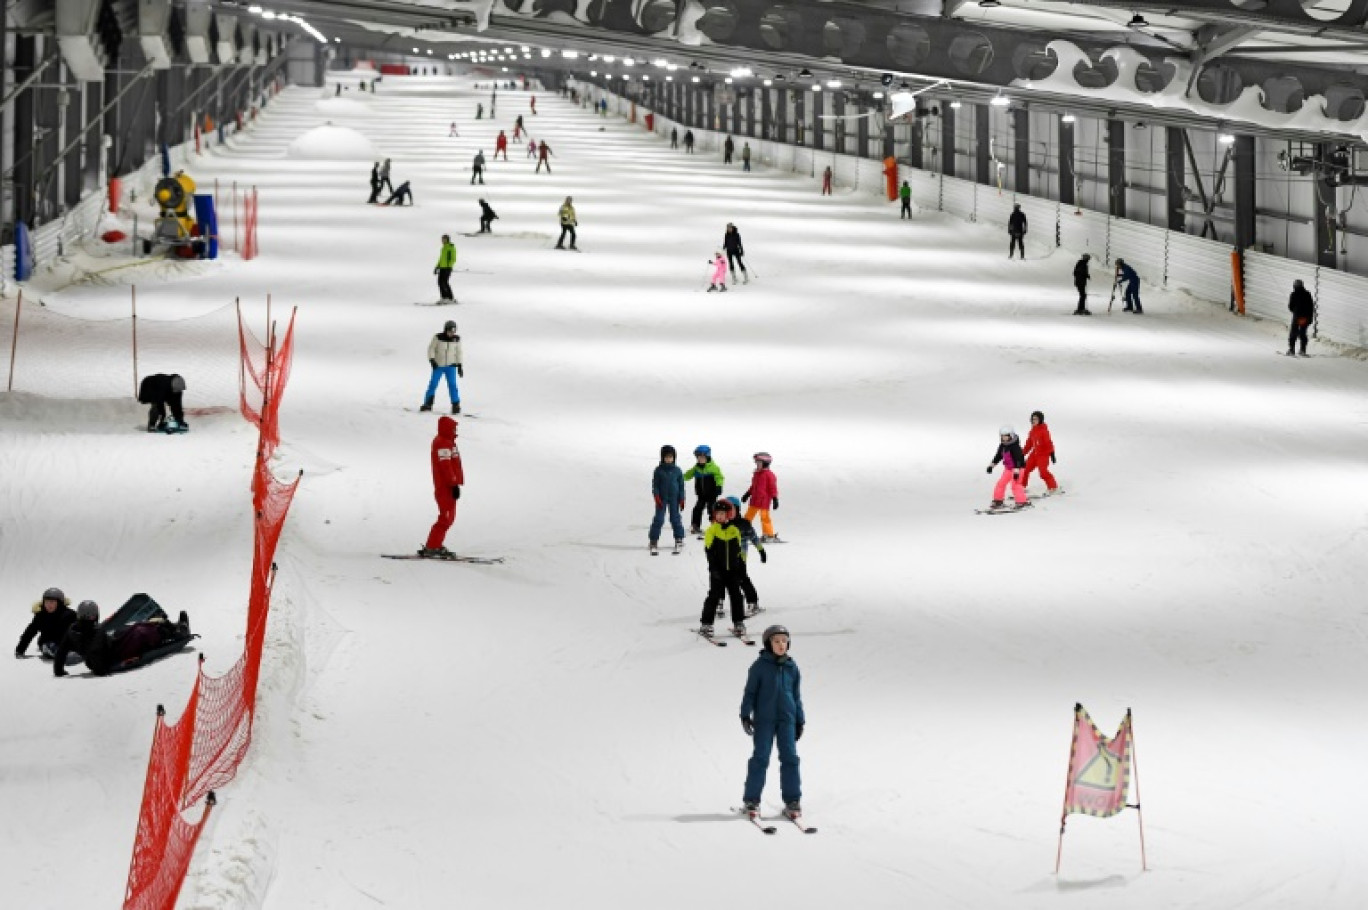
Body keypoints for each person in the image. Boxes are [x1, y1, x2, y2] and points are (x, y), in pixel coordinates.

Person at [740, 624, 805, 819]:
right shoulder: (759, 667)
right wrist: (745, 714)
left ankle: (792, 801)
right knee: (760, 757)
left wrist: (800, 720)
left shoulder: (792, 668)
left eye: (784, 641)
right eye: (776, 641)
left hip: (787, 720)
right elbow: (750, 693)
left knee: (790, 759)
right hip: (764, 721)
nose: (781, 644)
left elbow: (796, 696)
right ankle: (752, 800)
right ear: (768, 644)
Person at [53, 598, 192, 677]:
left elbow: (61, 652)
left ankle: (169, 626)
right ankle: (177, 632)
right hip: (115, 654)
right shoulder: (96, 631)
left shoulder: (72, 630)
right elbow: (95, 653)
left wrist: (58, 670)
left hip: (111, 645)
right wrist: (102, 670)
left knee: (131, 628)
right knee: (140, 632)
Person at [700, 499, 747, 639]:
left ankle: (738, 622)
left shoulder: (734, 531)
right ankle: (706, 624)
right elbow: (709, 551)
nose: (720, 516)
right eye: (717, 513)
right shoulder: (712, 530)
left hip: (732, 571)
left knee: (737, 596)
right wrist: (713, 570)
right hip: (718, 572)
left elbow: (739, 552)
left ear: (728, 514)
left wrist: (741, 568)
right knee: (714, 596)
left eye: (722, 513)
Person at [420, 416, 465, 558]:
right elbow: (445, 466)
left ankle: (434, 545)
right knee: (446, 518)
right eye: (454, 428)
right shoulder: (443, 443)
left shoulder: (448, 442)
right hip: (445, 487)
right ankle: (432, 547)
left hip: (449, 486)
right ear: (447, 428)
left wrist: (456, 483)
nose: (456, 430)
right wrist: (453, 484)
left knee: (448, 517)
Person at [723, 495, 766, 618]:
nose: (728, 512)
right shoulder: (721, 525)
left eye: (731, 509)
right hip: (725, 559)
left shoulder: (744, 524)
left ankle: (753, 603)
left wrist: (761, 551)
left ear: (737, 509)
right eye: (726, 510)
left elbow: (754, 538)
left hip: (740, 558)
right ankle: (720, 604)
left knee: (742, 580)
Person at [15, 587, 76, 661]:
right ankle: (61, 654)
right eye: (46, 602)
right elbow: (29, 632)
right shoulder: (41, 616)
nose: (49, 605)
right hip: (48, 642)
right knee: (50, 646)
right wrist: (20, 650)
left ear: (59, 603)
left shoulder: (70, 615)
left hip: (66, 642)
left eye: (52, 602)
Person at [649, 445, 687, 555]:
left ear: (674, 457)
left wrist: (682, 498)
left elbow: (681, 486)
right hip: (662, 499)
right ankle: (653, 540)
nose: (669, 459)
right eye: (666, 457)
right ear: (662, 457)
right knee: (659, 519)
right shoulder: (658, 470)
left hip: (674, 498)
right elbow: (655, 485)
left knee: (675, 518)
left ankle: (679, 538)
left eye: (671, 457)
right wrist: (656, 496)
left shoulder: (677, 470)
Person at [421, 320, 463, 414]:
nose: (451, 333)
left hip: (451, 366)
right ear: (445, 330)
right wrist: (432, 360)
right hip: (438, 366)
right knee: (433, 384)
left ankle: (455, 405)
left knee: (452, 385)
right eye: (450, 331)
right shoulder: (438, 338)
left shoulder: (456, 339)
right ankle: (428, 403)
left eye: (453, 331)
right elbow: (431, 348)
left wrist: (459, 365)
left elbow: (459, 353)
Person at [986, 426, 1029, 510]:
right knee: (1001, 483)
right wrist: (991, 466)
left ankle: (1022, 502)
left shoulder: (1015, 446)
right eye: (1002, 436)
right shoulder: (1003, 445)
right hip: (1008, 469)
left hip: (1018, 469)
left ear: (1011, 435)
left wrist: (1016, 471)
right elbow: (998, 456)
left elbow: (1019, 459)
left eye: (1006, 436)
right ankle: (998, 500)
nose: (1004, 438)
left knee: (1015, 485)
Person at [684, 444, 725, 534]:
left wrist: (719, 486)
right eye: (698, 457)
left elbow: (719, 477)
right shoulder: (696, 468)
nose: (700, 459)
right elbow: (688, 475)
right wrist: (680, 478)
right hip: (701, 494)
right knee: (697, 509)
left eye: (702, 457)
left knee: (712, 509)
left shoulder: (713, 468)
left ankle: (715, 525)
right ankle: (695, 525)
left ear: (707, 457)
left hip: (711, 494)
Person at [1020, 410, 1060, 497]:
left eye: (1036, 419)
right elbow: (1029, 444)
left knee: (1043, 472)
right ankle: (1021, 487)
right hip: (1035, 454)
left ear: (1040, 420)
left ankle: (1053, 488)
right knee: (1025, 469)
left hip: (1043, 454)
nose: (1033, 421)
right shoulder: (1032, 431)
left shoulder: (1044, 431)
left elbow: (1048, 443)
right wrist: (1022, 454)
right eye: (1032, 419)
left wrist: (1052, 454)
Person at [742, 452, 780, 541]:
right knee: (748, 516)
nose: (757, 465)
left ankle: (769, 534)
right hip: (754, 500)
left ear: (765, 464)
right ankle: (744, 531)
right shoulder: (756, 474)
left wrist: (775, 498)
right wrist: (747, 494)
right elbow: (753, 486)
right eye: (756, 463)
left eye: (759, 463)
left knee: (764, 517)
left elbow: (772, 488)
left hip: (764, 500)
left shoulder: (769, 475)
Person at [1287, 279, 1315, 357]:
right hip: (1304, 318)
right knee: (1302, 333)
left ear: (1294, 286)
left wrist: (1295, 311)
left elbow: (1290, 307)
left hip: (1296, 317)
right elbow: (1311, 307)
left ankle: (1292, 349)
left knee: (1293, 333)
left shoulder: (1293, 294)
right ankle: (1302, 350)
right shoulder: (1307, 294)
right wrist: (1310, 318)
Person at [434, 234, 456, 303]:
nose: (442, 240)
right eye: (442, 239)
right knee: (440, 282)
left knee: (444, 283)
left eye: (444, 239)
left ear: (447, 240)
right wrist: (437, 266)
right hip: (442, 268)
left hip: (447, 268)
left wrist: (449, 266)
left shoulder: (450, 247)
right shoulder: (443, 248)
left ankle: (450, 298)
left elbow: (453, 258)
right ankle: (443, 297)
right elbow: (441, 259)